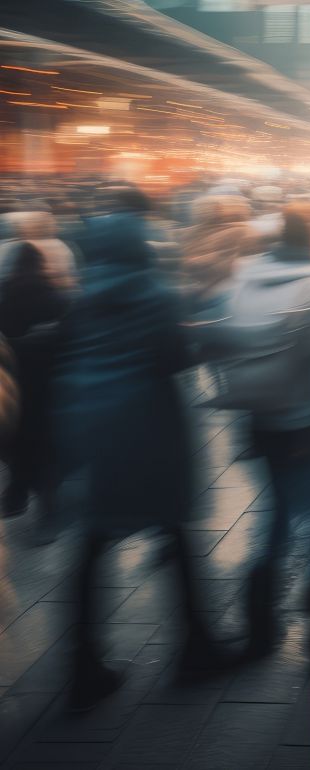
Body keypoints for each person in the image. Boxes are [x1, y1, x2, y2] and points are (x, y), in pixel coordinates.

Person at [57, 186, 231, 710]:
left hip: (91, 424)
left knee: (92, 545)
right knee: (173, 530)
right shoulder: (157, 292)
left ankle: (83, 663)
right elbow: (177, 357)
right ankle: (196, 646)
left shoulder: (83, 291)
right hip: (148, 427)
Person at [219, 204, 310, 660]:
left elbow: (227, 350)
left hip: (262, 418)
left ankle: (259, 624)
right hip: (309, 423)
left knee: (273, 514)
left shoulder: (245, 278)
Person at [0, 242, 69, 522]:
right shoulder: (58, 297)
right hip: (48, 382)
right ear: (42, 265)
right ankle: (46, 503)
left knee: (17, 441)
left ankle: (16, 495)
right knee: (44, 441)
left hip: (11, 384)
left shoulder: (3, 295)